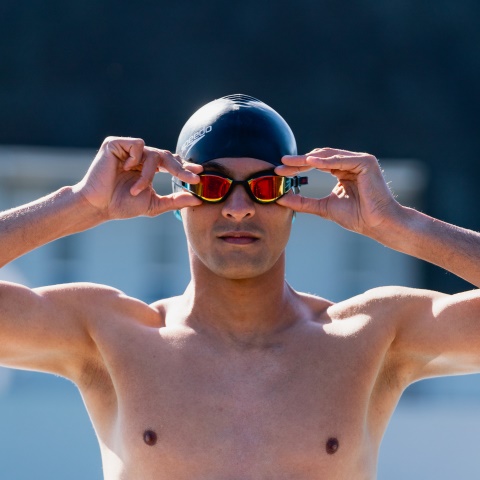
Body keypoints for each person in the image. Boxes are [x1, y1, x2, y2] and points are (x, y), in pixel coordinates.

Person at [1, 93, 480, 480]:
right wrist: (81, 204)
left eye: (265, 187)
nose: (237, 207)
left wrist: (399, 225)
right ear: (180, 193)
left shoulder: (372, 337)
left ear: (293, 197)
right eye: (211, 185)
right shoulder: (109, 336)